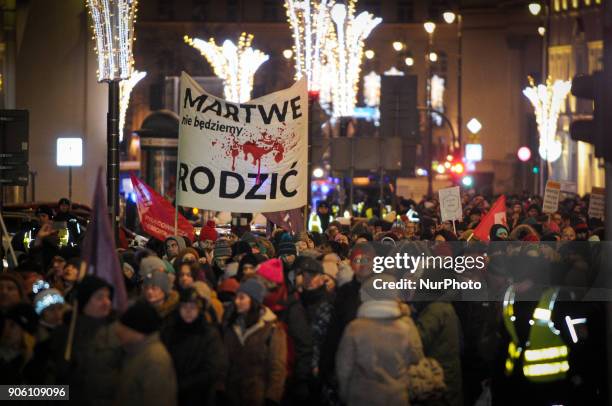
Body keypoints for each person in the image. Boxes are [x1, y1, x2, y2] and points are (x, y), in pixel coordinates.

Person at [336, 275, 424, 406]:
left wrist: (345, 395)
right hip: (396, 398)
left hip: (362, 398)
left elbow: (344, 369)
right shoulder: (405, 326)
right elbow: (416, 359)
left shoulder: (355, 328)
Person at [224, 278, 287, 406]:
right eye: (236, 297)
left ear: (253, 301)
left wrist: (272, 397)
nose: (236, 301)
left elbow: (277, 367)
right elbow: (224, 362)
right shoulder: (232, 326)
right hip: (232, 396)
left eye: (242, 298)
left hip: (258, 396)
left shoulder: (272, 329)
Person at [161, 288, 227, 406]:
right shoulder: (169, 331)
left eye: (193, 307)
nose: (188, 311)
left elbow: (213, 368)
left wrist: (184, 384)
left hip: (200, 396)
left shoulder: (209, 334)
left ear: (199, 310)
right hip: (170, 393)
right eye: (184, 307)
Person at [115, 300, 177, 406]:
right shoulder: (135, 351)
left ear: (136, 331)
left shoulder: (154, 360)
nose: (118, 331)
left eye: (125, 327)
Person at [0, 303, 39, 384]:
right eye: (5, 323)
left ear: (25, 333)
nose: (6, 329)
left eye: (12, 325)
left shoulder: (34, 365)